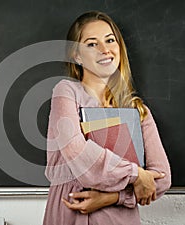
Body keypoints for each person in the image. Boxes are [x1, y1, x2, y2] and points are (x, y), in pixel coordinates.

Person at [43, 11, 171, 225]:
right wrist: (136, 175)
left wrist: (112, 197)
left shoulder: (139, 111)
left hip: (119, 218)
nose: (105, 50)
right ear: (77, 56)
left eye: (110, 40)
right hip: (71, 214)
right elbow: (78, 153)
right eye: (92, 44)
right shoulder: (66, 92)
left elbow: (162, 178)